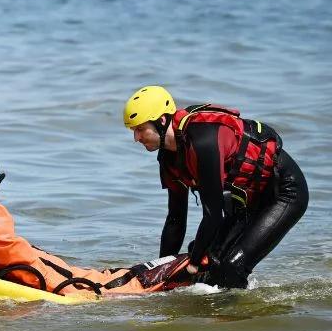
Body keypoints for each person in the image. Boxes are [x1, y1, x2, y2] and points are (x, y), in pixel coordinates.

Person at [122, 85, 308, 288]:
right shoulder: (168, 158)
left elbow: (213, 215)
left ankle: (233, 317)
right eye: (134, 131)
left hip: (284, 192)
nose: (136, 138)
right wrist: (162, 274)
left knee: (230, 267)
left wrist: (193, 263)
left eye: (140, 129)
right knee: (207, 264)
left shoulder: (203, 141)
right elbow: (176, 219)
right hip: (246, 199)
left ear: (162, 120)